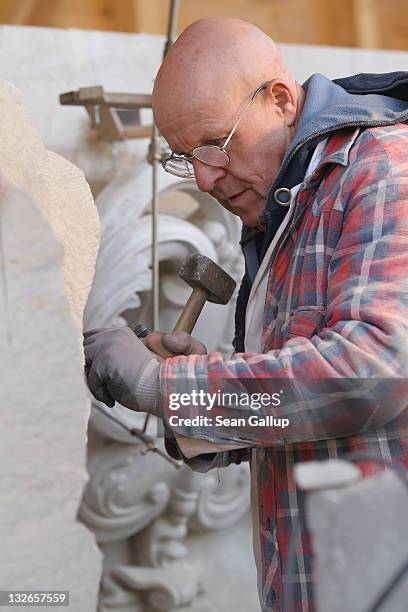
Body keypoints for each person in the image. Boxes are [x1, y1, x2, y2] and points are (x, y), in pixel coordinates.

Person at [83, 17, 408, 612]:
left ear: (281, 100)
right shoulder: (286, 205)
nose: (205, 177)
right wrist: (206, 381)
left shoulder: (383, 169)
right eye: (186, 158)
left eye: (215, 144)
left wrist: (173, 387)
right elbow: (308, 417)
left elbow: (374, 371)